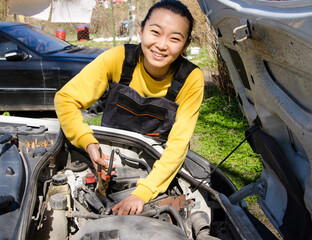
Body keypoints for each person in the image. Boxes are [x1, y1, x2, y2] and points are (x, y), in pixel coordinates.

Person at [54, 0, 204, 216]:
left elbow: (178, 145)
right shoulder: (118, 58)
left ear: (185, 45)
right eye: (155, 32)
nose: (162, 45)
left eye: (174, 38)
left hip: (156, 165)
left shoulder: (191, 79)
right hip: (106, 159)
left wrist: (143, 193)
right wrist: (87, 142)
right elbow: (66, 98)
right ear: (141, 31)